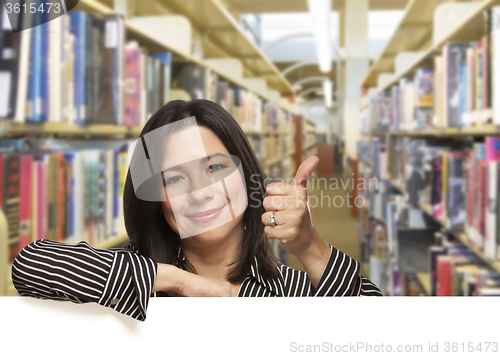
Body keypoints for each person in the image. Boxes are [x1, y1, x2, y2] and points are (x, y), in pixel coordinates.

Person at [12, 100, 382, 322]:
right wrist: (183, 282)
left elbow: (381, 330)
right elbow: (31, 265)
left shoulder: (292, 291)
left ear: (247, 176)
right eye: (174, 180)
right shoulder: (133, 281)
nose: (200, 193)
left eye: (215, 168)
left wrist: (310, 247)